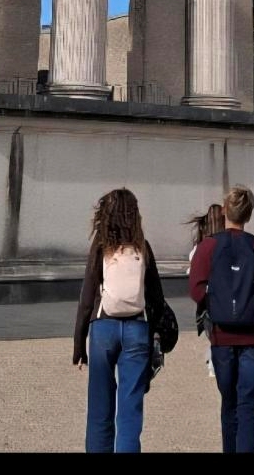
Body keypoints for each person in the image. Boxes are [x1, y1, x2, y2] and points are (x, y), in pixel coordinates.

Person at [72, 188, 167, 453]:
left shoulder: (101, 247)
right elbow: (157, 299)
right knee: (130, 411)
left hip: (103, 326)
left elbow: (86, 299)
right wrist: (155, 336)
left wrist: (79, 345)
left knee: (99, 407)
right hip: (137, 328)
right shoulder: (142, 247)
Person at [189, 184, 254, 453]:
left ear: (224, 211)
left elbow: (196, 289)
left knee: (228, 403)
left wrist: (216, 303)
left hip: (221, 335)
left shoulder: (208, 246)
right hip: (252, 335)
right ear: (249, 214)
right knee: (248, 406)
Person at [188, 203, 226, 377]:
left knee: (213, 332)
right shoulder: (227, 243)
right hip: (225, 295)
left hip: (207, 298)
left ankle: (213, 361)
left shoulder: (200, 247)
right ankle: (215, 361)